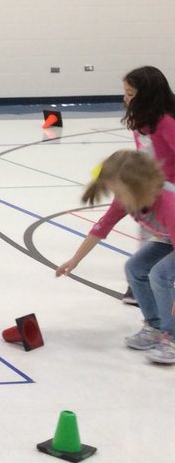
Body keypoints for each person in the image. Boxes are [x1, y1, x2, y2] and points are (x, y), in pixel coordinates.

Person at [55, 150, 175, 365]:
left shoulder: (169, 204)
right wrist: (75, 260)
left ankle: (171, 335)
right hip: (169, 239)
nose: (117, 199)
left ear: (138, 187)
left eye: (119, 192)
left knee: (161, 273)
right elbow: (101, 227)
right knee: (135, 267)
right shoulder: (127, 199)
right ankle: (155, 326)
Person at [119, 65, 175, 305]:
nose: (125, 98)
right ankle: (139, 282)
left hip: (169, 195)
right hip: (153, 192)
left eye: (131, 93)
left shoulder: (166, 124)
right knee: (147, 231)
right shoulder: (140, 122)